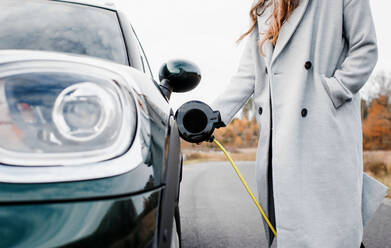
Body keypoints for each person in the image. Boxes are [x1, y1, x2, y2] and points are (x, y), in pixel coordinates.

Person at [210, 0, 388, 247]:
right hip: (281, 142)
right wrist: (210, 116)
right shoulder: (266, 6)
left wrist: (331, 93)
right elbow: (248, 74)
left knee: (331, 232)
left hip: (324, 131)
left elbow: (365, 48)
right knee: (294, 232)